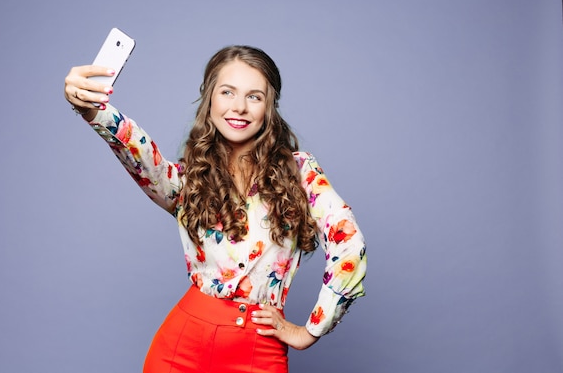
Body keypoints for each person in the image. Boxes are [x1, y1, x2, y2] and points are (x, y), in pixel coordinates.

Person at [64, 45, 367, 373]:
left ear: (269, 108)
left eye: (254, 96)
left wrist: (310, 330)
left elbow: (349, 244)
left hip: (256, 352)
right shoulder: (188, 181)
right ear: (209, 99)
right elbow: (140, 153)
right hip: (180, 348)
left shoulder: (300, 172)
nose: (239, 107)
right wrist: (94, 111)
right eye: (227, 92)